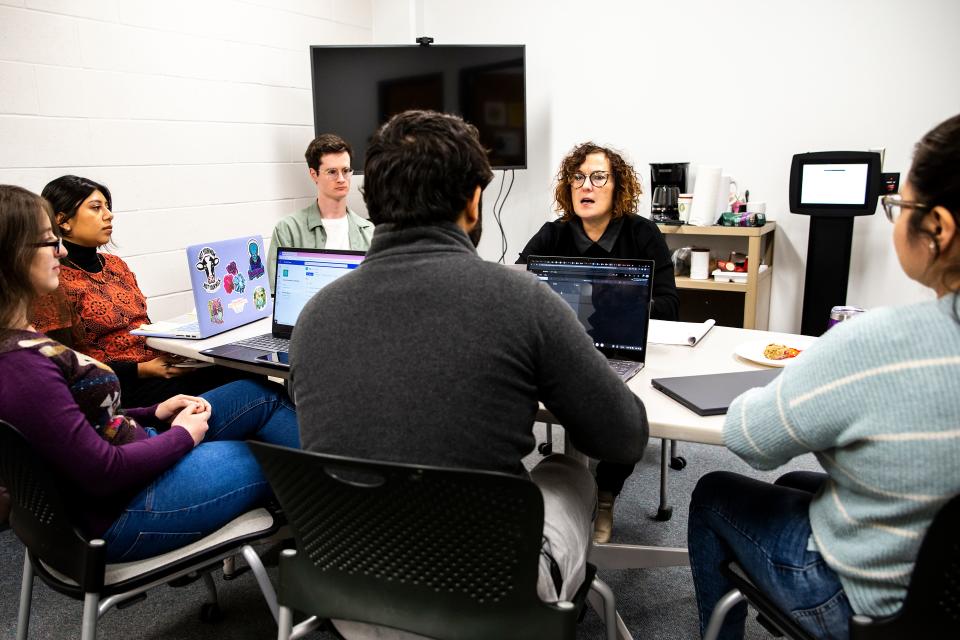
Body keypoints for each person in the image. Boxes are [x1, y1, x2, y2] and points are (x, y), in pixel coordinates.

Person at [290, 111, 648, 613]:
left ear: (374, 201)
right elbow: (623, 437)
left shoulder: (313, 317)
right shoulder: (524, 300)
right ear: (473, 201)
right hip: (491, 596)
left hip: (353, 593)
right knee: (566, 470)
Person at [688, 113, 960, 640]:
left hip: (868, 605)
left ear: (939, 229)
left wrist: (801, 383)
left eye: (900, 206)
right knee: (795, 487)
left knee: (714, 490)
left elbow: (753, 441)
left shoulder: (881, 340)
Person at [0, 184, 300, 562]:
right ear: (11, 256)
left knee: (255, 394)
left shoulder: (18, 342)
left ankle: (342, 499)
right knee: (276, 457)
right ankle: (352, 519)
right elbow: (103, 472)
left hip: (138, 444)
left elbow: (80, 422)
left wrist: (153, 413)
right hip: (123, 512)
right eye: (48, 241)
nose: (59, 249)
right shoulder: (22, 368)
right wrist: (181, 438)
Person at [517, 142, 680, 543]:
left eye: (598, 177)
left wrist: (621, 304)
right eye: (577, 177)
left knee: (623, 410)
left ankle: (605, 492)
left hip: (620, 351)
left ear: (618, 186)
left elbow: (671, 305)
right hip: (559, 351)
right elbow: (518, 286)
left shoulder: (642, 233)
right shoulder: (554, 233)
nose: (585, 185)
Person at [30, 175, 251, 409]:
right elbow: (63, 364)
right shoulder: (53, 281)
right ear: (62, 221)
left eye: (107, 207)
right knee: (242, 385)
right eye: (96, 208)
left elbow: (141, 326)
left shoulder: (115, 265)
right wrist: (141, 370)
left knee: (241, 368)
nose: (109, 215)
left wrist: (175, 349)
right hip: (117, 384)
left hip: (157, 365)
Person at [266, 134, 374, 283]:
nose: (341, 179)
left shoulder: (369, 232)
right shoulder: (288, 230)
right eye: (332, 172)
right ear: (314, 174)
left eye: (345, 170)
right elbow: (274, 292)